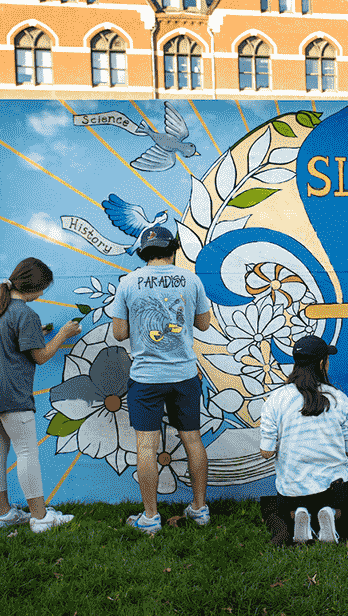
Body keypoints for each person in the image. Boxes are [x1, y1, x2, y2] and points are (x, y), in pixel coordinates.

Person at [109, 225, 212, 534]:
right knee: (192, 439)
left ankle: (150, 517)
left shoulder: (128, 283)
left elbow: (119, 333)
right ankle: (199, 508)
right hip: (184, 375)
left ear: (143, 250)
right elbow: (204, 324)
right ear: (174, 248)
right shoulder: (191, 280)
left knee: (145, 446)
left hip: (146, 378)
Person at [0, 257, 81, 533]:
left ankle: (3, 514)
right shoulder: (26, 315)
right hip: (11, 391)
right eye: (43, 288)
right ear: (33, 287)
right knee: (26, 452)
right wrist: (63, 334)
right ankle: (41, 518)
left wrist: (37, 333)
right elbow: (41, 357)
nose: (43, 294)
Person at [259, 335, 348, 544]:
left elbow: (266, 452)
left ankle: (298, 517)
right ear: (322, 364)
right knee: (347, 507)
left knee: (272, 507)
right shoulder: (339, 398)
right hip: (334, 490)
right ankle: (331, 514)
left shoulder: (276, 399)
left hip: (293, 491)